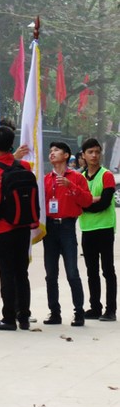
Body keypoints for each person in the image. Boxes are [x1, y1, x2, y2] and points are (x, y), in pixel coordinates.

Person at [0, 124, 36, 331]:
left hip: (3, 230)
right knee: (22, 272)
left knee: (7, 272)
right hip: (23, 226)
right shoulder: (25, 168)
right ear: (12, 144)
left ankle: (9, 317)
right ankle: (24, 316)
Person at [42, 142, 93, 327]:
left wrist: (70, 186)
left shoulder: (77, 178)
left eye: (56, 150)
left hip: (67, 228)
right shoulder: (46, 179)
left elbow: (86, 201)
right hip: (50, 229)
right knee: (50, 274)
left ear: (66, 155)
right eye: (50, 151)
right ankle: (54, 312)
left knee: (72, 272)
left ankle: (79, 312)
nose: (52, 154)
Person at [79, 138, 117, 322]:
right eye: (90, 152)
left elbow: (103, 203)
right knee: (91, 270)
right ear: (83, 155)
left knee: (107, 270)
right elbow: (76, 200)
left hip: (105, 228)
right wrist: (88, 201)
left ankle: (111, 310)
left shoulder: (106, 175)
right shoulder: (80, 177)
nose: (95, 155)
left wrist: (85, 203)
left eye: (97, 151)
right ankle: (95, 307)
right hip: (87, 228)